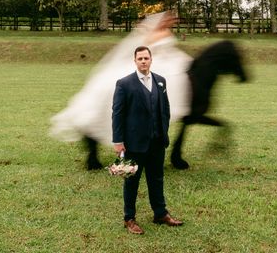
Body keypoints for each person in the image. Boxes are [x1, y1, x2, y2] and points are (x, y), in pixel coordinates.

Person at [49, 12, 192, 161]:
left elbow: (170, 51)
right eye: (169, 19)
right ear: (161, 21)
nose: (172, 21)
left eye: (173, 19)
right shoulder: (151, 34)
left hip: (168, 63)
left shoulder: (166, 32)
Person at [111, 45, 183, 235]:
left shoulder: (161, 81)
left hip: (157, 142)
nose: (143, 61)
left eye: (146, 58)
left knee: (157, 179)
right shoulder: (124, 84)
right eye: (140, 58)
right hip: (133, 144)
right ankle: (129, 218)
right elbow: (117, 114)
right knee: (131, 182)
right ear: (134, 61)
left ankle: (160, 213)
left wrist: (163, 132)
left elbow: (165, 110)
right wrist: (118, 141)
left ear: (151, 60)